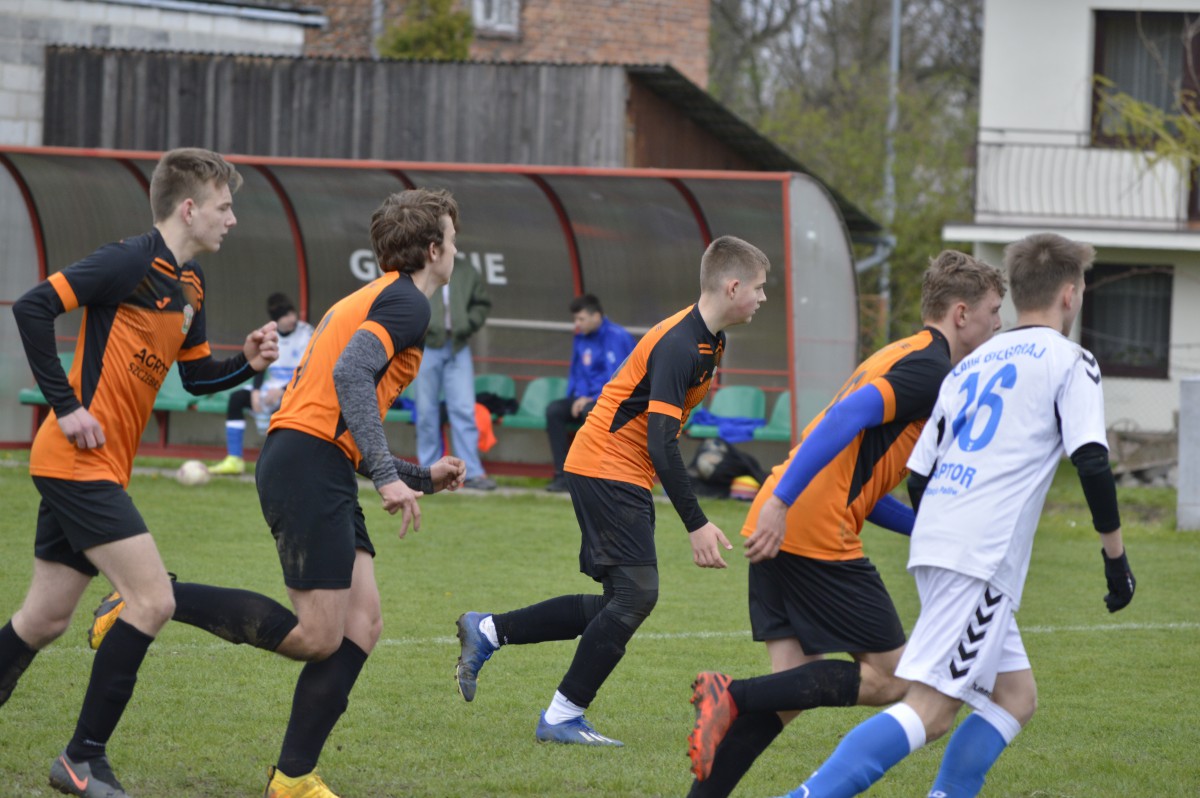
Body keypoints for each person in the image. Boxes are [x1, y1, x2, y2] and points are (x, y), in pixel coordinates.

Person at [83, 188, 469, 797]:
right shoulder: (406, 303)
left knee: (362, 623)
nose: (457, 250)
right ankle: (150, 597)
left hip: (313, 459)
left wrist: (418, 476)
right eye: (453, 237)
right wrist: (389, 477)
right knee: (318, 635)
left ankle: (292, 778)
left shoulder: (382, 298)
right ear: (432, 249)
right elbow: (350, 377)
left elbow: (339, 418)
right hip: (306, 463)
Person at [777, 233, 1136, 798]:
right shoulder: (1071, 360)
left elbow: (921, 474)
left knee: (1015, 697)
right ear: (1070, 294)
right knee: (932, 710)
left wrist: (942, 530)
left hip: (942, 542)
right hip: (979, 557)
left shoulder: (970, 364)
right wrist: (1115, 559)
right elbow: (1091, 460)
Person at [0, 147, 279, 797]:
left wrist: (249, 363)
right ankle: (82, 760)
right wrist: (66, 408)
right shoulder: (129, 260)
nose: (232, 219)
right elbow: (33, 307)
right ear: (190, 209)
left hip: (99, 469)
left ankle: (80, 757)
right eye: (224, 207)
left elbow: (196, 375)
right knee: (153, 600)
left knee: (43, 619)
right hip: (76, 462)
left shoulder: (191, 284)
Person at [686, 251, 1006, 798]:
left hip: (783, 514)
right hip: (808, 523)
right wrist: (784, 503)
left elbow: (864, 488)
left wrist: (922, 528)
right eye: (994, 311)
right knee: (893, 678)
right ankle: (731, 692)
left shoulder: (902, 353)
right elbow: (845, 417)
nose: (998, 323)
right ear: (961, 313)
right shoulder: (931, 371)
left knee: (787, 694)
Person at [454, 236, 770, 746]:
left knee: (620, 599)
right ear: (733, 287)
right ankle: (561, 716)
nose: (762, 297)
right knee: (637, 594)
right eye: (758, 287)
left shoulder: (711, 342)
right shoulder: (681, 344)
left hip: (619, 469)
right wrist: (696, 523)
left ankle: (488, 630)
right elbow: (661, 442)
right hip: (607, 465)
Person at [414, 251, 495, 490]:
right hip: (427, 346)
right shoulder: (420, 266)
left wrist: (467, 324)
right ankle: (428, 472)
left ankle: (471, 473)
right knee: (425, 411)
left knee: (464, 410)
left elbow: (481, 303)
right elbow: (407, 298)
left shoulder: (465, 269)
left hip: (458, 345)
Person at [209, 292, 314, 476]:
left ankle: (288, 464)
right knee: (237, 398)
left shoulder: (307, 332)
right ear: (276, 320)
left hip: (299, 390)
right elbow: (261, 361)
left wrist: (283, 390)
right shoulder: (268, 334)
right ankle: (234, 459)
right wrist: (256, 391)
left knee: (286, 409)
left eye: (292, 313)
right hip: (271, 389)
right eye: (285, 315)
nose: (291, 318)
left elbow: (311, 368)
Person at [545, 294, 635, 493]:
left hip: (614, 402)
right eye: (575, 319)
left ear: (596, 316)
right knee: (554, 410)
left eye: (581, 319)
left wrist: (591, 398)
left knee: (589, 412)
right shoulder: (581, 338)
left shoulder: (617, 337)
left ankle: (593, 477)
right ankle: (562, 476)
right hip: (585, 399)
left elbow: (620, 379)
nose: (577, 324)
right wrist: (580, 396)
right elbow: (578, 373)